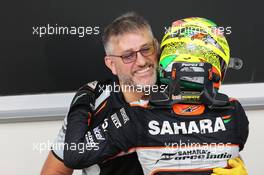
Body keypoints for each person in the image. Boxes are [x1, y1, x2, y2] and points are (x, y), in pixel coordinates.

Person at [41, 12, 248, 175]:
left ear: (158, 48)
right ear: (111, 64)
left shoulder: (185, 87)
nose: (141, 62)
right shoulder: (92, 102)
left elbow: (216, 147)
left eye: (146, 50)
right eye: (128, 55)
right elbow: (58, 169)